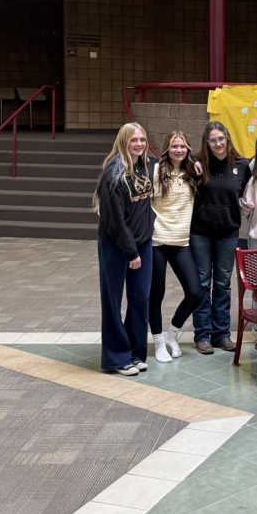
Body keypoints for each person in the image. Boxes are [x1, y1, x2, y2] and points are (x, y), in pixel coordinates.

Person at [93, 123, 156, 376]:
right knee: (112, 301)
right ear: (123, 142)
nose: (139, 144)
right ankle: (117, 358)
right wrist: (131, 253)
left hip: (142, 243)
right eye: (134, 140)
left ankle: (135, 352)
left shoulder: (142, 165)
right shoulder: (114, 173)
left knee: (140, 299)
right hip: (117, 246)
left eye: (142, 139)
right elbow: (115, 221)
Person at [190, 121, 251, 355]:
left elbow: (248, 194)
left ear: (227, 138)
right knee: (203, 283)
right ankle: (202, 334)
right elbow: (179, 153)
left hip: (228, 234)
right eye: (213, 140)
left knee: (222, 285)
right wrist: (191, 161)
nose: (218, 144)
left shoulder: (242, 166)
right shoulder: (197, 164)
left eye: (221, 139)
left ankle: (222, 334)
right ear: (207, 142)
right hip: (201, 233)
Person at [147, 131, 205, 364]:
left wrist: (198, 162)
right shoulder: (155, 171)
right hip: (157, 240)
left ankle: (172, 334)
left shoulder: (192, 172)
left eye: (183, 146)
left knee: (195, 292)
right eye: (174, 146)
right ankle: (159, 343)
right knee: (156, 295)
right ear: (166, 149)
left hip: (181, 241)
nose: (179, 150)